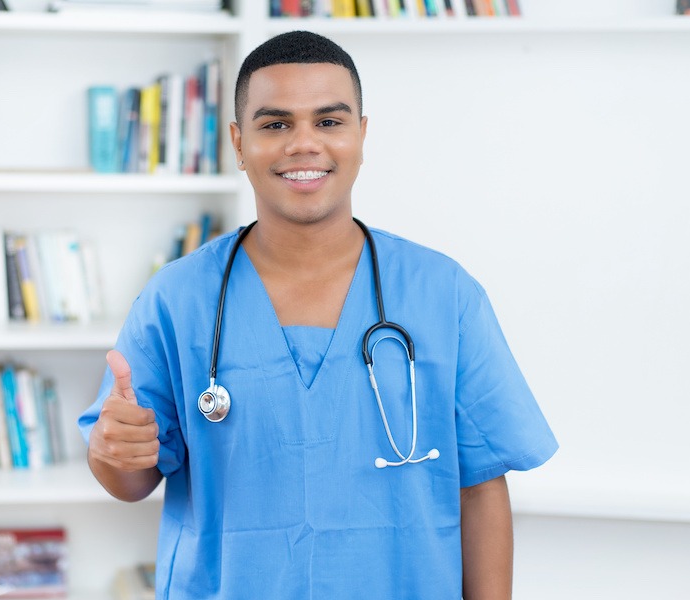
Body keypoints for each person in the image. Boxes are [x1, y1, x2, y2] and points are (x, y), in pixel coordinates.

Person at [79, 30, 557, 599]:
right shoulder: (177, 299)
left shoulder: (443, 294)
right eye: (275, 124)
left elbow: (481, 486)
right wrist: (115, 452)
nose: (303, 144)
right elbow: (130, 480)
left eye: (329, 121)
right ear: (237, 142)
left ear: (361, 135)